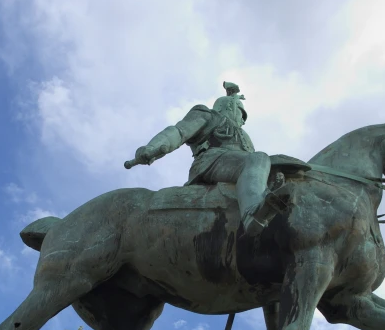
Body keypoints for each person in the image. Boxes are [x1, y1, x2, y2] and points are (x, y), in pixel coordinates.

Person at [126, 82, 304, 235]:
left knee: (270, 164)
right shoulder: (208, 115)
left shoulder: (245, 136)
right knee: (258, 159)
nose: (242, 121)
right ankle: (252, 214)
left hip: (237, 164)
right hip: (211, 161)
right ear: (229, 107)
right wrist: (153, 147)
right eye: (242, 115)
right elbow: (178, 131)